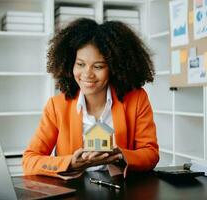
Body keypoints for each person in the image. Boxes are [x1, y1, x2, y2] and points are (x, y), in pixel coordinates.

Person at [22, 18, 159, 180]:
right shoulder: (57, 106)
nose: (87, 74)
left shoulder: (137, 99)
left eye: (98, 66)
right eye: (80, 64)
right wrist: (70, 163)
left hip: (121, 188)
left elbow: (151, 153)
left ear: (115, 68)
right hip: (73, 190)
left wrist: (120, 156)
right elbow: (29, 161)